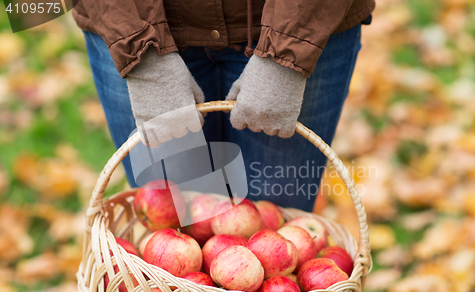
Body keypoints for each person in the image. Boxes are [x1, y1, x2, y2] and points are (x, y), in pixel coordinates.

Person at [73, 0, 375, 212]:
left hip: (302, 22)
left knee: (279, 226)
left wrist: (289, 48)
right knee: (169, 234)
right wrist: (140, 50)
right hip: (132, 20)